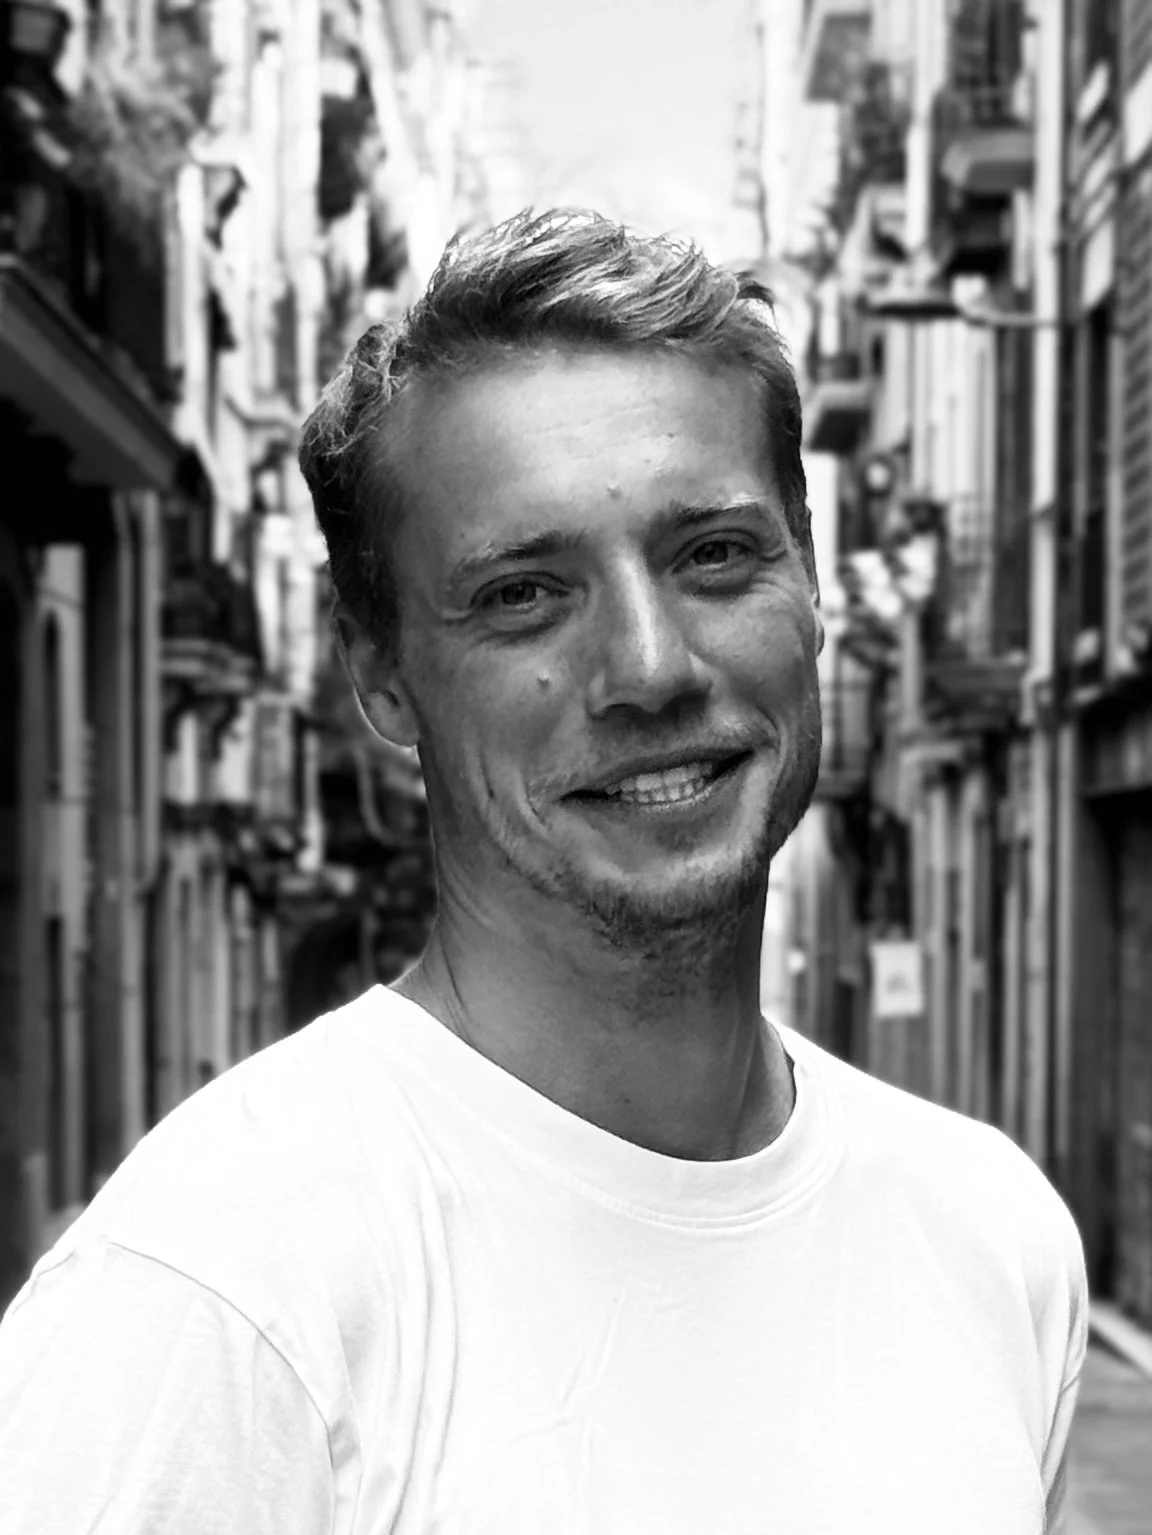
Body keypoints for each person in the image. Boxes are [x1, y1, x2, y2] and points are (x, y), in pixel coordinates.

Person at [0, 210, 1087, 1533]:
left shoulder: (995, 1241)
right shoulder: (223, 1294)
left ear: (810, 576)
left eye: (715, 556)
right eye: (525, 593)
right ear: (382, 672)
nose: (650, 668)